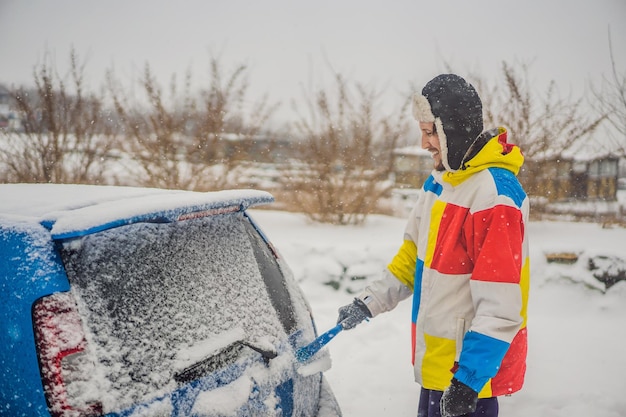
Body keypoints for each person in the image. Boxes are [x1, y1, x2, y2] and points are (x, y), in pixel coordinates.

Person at [336, 74, 529, 417]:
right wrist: (368, 303)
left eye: (430, 133)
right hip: (438, 370)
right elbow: (413, 258)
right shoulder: (439, 184)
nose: (424, 144)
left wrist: (468, 381)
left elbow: (500, 305)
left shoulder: (494, 197)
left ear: (453, 132)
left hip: (467, 381)